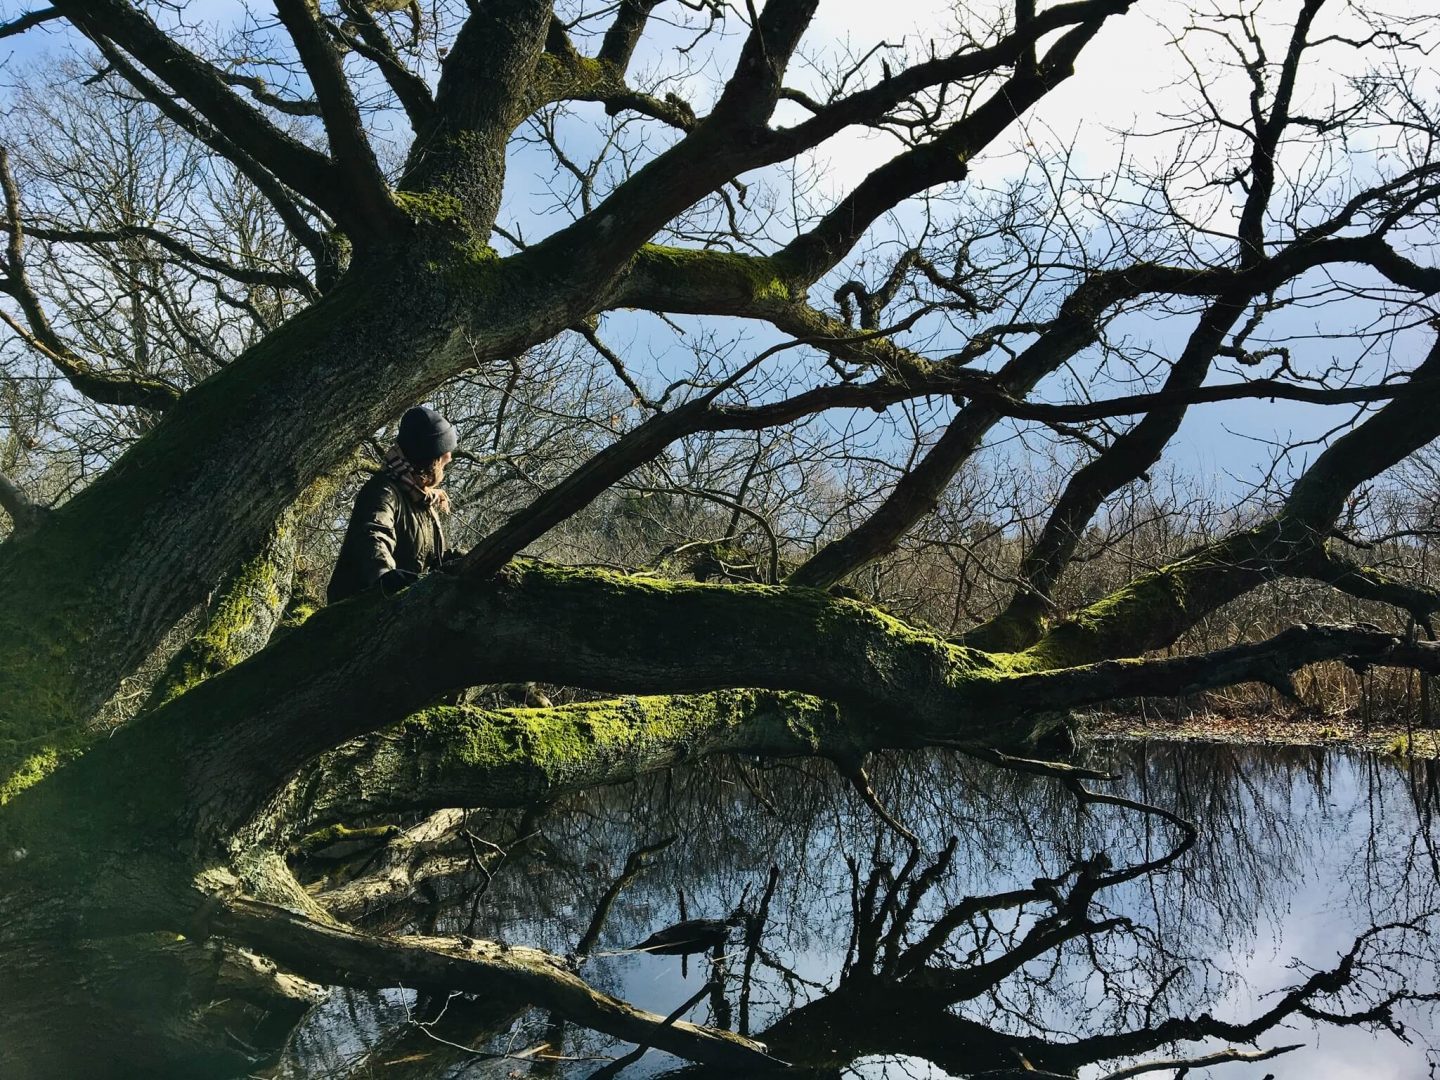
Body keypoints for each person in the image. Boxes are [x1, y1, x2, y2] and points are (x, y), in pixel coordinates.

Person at [327, 405, 457, 603]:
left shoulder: (421, 499)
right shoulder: (384, 491)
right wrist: (384, 574)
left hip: (396, 604)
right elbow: (373, 534)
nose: (448, 462)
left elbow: (426, 555)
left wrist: (458, 561)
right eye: (444, 459)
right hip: (361, 609)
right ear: (430, 460)